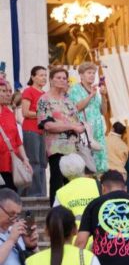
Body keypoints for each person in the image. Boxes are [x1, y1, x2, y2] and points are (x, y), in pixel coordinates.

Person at [37, 67, 86, 206]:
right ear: (51, 80)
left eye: (64, 78)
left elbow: (77, 122)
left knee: (73, 182)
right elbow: (47, 125)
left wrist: (81, 127)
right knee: (57, 181)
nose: (62, 80)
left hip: (73, 148)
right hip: (56, 148)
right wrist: (71, 126)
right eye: (58, 77)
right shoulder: (44, 99)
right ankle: (56, 214)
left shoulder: (68, 100)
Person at [68, 63, 108, 174]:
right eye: (89, 73)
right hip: (84, 132)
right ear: (81, 75)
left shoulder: (95, 89)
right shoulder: (74, 90)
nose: (92, 75)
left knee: (98, 167)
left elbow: (103, 111)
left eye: (93, 73)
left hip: (97, 132)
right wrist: (90, 96)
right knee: (85, 164)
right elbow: (76, 108)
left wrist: (104, 96)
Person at [53, 154, 100, 247]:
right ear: (83, 166)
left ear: (63, 171)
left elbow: (56, 222)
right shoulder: (97, 185)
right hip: (97, 241)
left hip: (74, 244)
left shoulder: (61, 193)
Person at [20, 66, 47, 197]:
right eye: (41, 75)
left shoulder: (45, 94)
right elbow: (25, 112)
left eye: (45, 75)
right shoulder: (28, 91)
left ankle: (41, 192)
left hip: (43, 132)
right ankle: (33, 193)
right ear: (33, 77)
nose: (44, 78)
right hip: (31, 130)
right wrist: (42, 114)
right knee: (34, 161)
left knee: (42, 163)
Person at [0, 81, 31, 192]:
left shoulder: (9, 113)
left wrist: (25, 159)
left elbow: (17, 141)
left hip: (10, 165)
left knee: (11, 198)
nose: (8, 94)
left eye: (9, 91)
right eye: (3, 91)